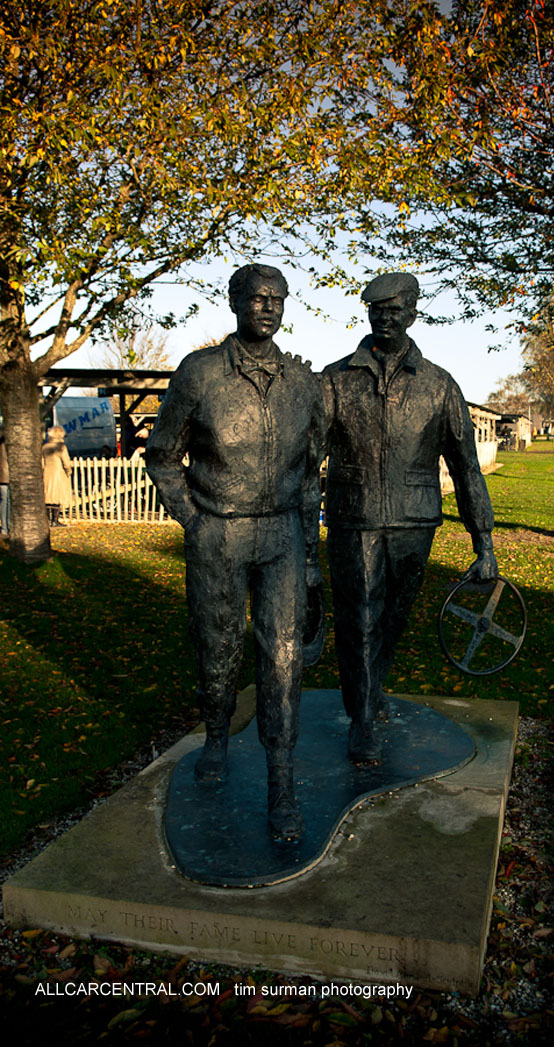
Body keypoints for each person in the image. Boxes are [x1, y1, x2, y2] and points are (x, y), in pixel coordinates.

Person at [145, 264, 325, 840]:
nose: (267, 308)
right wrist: (193, 520)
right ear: (234, 301)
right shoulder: (200, 373)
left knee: (283, 658)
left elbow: (311, 474)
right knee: (218, 648)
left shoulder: (304, 384)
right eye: (257, 298)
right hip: (218, 534)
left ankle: (281, 780)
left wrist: (310, 555)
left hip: (282, 536)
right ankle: (217, 737)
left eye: (277, 299)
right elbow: (162, 455)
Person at [321, 272, 498, 766]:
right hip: (354, 520)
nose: (385, 317)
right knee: (359, 618)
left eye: (395, 309)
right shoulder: (334, 380)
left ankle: (372, 689)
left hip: (415, 522)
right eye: (377, 309)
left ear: (414, 313)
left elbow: (466, 467)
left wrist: (483, 540)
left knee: (392, 618)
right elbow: (305, 458)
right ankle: (361, 719)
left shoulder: (439, 386)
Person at [42, 425, 72, 526]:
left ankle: (48, 520)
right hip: (58, 473)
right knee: (57, 497)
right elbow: (66, 462)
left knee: (48, 497)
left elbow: (41, 462)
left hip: (47, 473)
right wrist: (68, 471)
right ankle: (55, 520)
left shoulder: (45, 447)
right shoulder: (61, 447)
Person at [0, 424, 10, 537]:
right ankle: (6, 527)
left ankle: (5, 528)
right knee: (7, 501)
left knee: (4, 500)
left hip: (3, 473)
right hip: (9, 472)